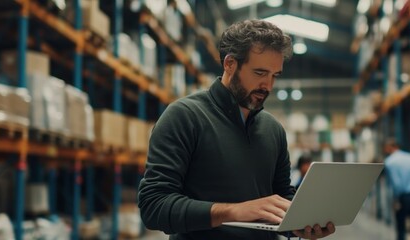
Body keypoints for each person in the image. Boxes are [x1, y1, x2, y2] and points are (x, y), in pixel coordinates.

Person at [138, 20, 336, 240]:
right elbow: (153, 205)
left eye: (274, 76)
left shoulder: (273, 130)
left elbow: (282, 197)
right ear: (230, 64)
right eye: (260, 73)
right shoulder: (184, 117)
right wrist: (234, 211)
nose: (268, 86)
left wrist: (300, 223)